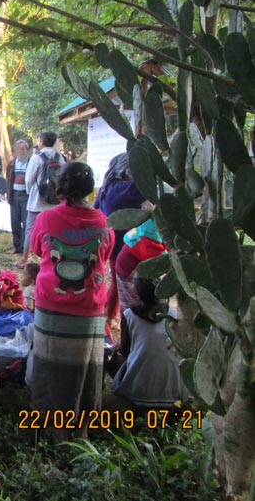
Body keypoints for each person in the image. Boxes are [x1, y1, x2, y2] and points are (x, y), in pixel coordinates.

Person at [29, 162, 114, 441]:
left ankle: (51, 430)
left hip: (51, 308)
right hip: (89, 309)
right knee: (85, 373)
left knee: (49, 369)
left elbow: (37, 248)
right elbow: (105, 254)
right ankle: (81, 433)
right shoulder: (104, 222)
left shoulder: (46, 219)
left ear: (60, 188)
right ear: (89, 189)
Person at [110, 275, 188, 407]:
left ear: (137, 291)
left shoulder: (129, 315)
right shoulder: (174, 314)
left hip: (137, 391)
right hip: (174, 391)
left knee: (116, 354)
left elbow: (125, 351)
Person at [94, 152, 146, 323]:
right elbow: (145, 189)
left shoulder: (106, 187)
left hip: (108, 240)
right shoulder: (125, 188)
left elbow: (95, 208)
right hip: (124, 244)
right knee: (122, 282)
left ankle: (109, 314)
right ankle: (110, 316)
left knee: (117, 280)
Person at [18, 131, 64, 269]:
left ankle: (24, 259)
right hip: (54, 201)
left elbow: (29, 180)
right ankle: (53, 258)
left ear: (41, 141)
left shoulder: (37, 157)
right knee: (53, 230)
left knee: (30, 229)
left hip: (37, 201)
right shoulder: (59, 157)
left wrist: (30, 193)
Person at [6, 140, 30, 255]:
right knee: (15, 222)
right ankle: (17, 246)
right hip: (15, 194)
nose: (20, 151)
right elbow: (8, 179)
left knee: (26, 223)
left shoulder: (31, 162)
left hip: (26, 195)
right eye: (18, 149)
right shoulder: (12, 163)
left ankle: (25, 248)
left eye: (22, 149)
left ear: (27, 150)